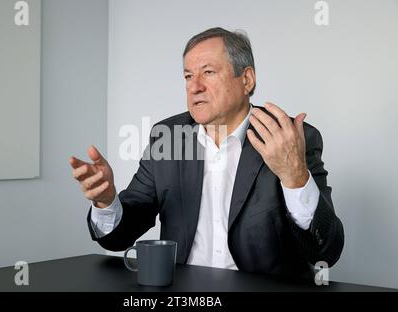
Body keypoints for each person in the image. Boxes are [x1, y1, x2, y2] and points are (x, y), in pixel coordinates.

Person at [70, 27, 344, 278]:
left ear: (246, 79)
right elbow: (119, 236)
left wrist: (295, 178)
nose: (193, 86)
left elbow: (326, 252)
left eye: (208, 72)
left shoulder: (292, 137)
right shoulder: (167, 137)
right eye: (188, 76)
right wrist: (106, 203)